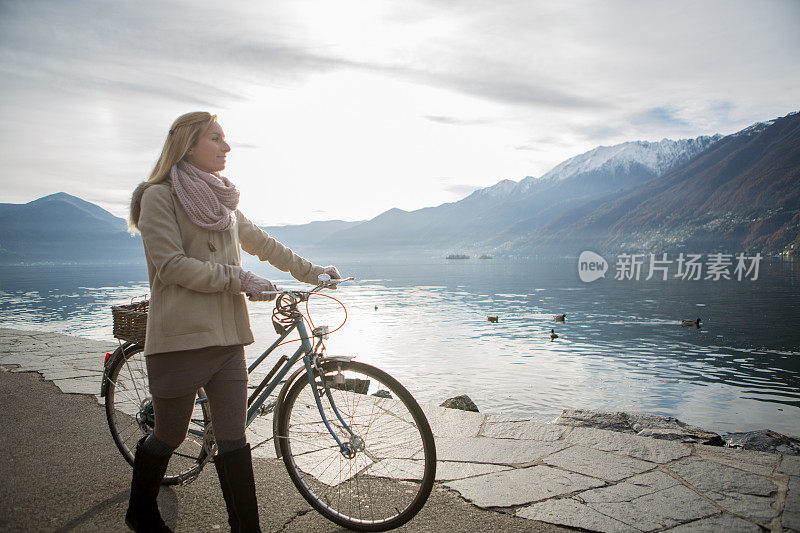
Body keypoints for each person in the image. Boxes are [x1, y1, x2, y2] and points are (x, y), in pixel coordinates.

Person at [126, 111, 340, 532]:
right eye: (216, 139)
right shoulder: (159, 196)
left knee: (233, 439)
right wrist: (237, 278)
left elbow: (263, 244)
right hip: (181, 339)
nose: (226, 148)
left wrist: (313, 271)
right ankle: (139, 512)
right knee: (168, 436)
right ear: (188, 146)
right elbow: (170, 266)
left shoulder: (222, 201)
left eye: (226, 139)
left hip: (228, 340)